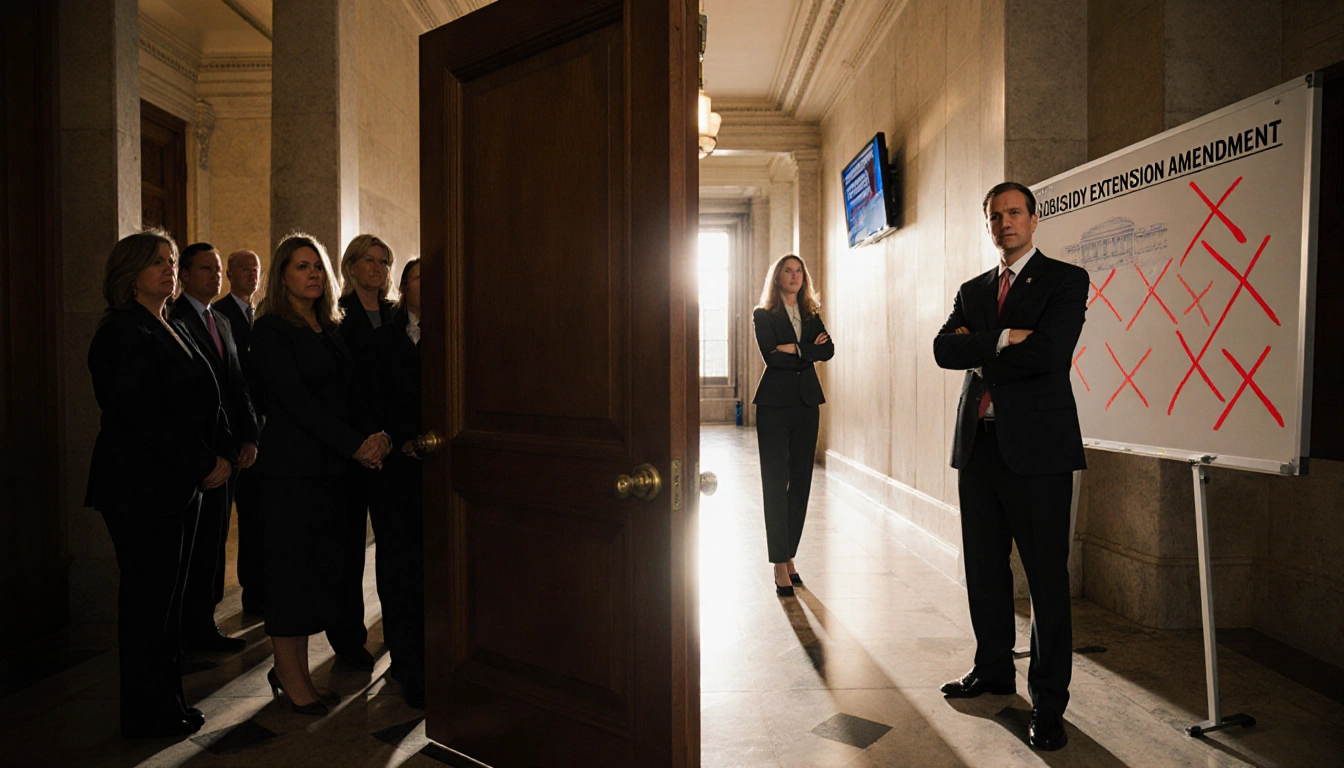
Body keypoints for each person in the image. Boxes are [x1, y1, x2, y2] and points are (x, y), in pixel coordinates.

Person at [932, 181, 1088, 751]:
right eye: (995, 216)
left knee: (1046, 580)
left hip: (1040, 453)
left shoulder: (1065, 281)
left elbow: (1051, 352)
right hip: (979, 448)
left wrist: (982, 348)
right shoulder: (974, 290)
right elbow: (944, 349)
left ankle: (1049, 704)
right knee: (985, 569)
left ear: (1035, 218)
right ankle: (993, 669)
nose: (1005, 223)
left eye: (1014, 213)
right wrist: (1001, 338)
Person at [85, 229, 233, 738]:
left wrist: (226, 447)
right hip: (139, 487)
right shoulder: (121, 331)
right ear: (130, 274)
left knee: (167, 603)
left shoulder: (169, 323)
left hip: (174, 484)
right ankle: (146, 715)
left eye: (171, 261)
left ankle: (167, 701)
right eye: (158, 262)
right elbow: (142, 416)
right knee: (149, 604)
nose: (169, 269)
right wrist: (202, 461)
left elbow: (201, 397)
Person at [250, 232, 391, 714]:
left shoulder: (330, 326)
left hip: (332, 472)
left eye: (316, 266)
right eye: (300, 267)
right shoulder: (270, 329)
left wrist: (374, 436)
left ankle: (292, 671)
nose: (311, 274)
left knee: (317, 575)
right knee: (290, 576)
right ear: (282, 276)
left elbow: (351, 395)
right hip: (291, 472)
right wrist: (356, 445)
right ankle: (292, 678)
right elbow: (295, 402)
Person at [171, 243, 258, 651]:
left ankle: (206, 623)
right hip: (195, 454)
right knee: (194, 544)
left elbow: (237, 384)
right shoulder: (175, 319)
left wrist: (249, 437)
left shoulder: (220, 320)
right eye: (205, 268)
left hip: (229, 451)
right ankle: (188, 628)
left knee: (216, 540)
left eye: (218, 268)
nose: (215, 275)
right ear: (184, 274)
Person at [327, 234, 397, 668]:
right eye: (368, 260)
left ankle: (398, 627)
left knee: (394, 545)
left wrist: (388, 435)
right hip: (351, 449)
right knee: (348, 550)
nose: (377, 268)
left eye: (383, 261)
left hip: (393, 444)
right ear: (350, 266)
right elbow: (340, 389)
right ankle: (348, 640)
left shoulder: (397, 314)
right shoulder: (335, 316)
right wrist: (362, 440)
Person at [360, 258, 425, 709]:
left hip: (443, 468)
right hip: (396, 470)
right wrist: (397, 439)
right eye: (421, 276)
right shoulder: (380, 340)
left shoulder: (461, 332)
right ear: (402, 288)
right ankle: (405, 661)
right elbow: (368, 399)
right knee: (399, 565)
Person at [751, 254, 834, 598]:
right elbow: (771, 356)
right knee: (775, 482)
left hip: (806, 404)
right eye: (788, 270)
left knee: (800, 483)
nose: (795, 275)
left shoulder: (812, 314)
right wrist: (806, 350)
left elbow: (827, 350)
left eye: (800, 270)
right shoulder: (763, 315)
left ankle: (790, 556)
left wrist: (794, 349)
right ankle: (777, 563)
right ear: (777, 277)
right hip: (773, 405)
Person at [213, 249, 265, 615]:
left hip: (259, 432)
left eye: (255, 269)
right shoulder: (219, 315)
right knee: (227, 521)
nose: (251, 274)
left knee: (257, 517)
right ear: (230, 274)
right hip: (230, 433)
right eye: (244, 269)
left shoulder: (261, 314)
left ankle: (259, 590)